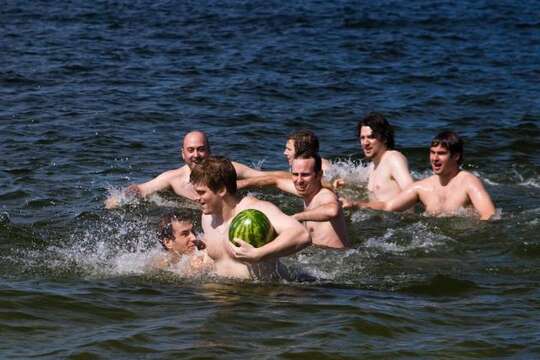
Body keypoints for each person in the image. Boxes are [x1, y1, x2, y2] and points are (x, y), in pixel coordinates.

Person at [189, 156, 311, 280]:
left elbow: (302, 234)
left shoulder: (256, 210)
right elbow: (218, 257)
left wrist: (259, 253)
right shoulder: (207, 218)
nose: (196, 198)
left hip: (263, 295)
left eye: (201, 192)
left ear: (221, 190)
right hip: (224, 295)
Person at [347, 131, 496, 220]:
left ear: (456, 156)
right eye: (432, 153)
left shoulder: (469, 183)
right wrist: (355, 204)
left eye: (441, 154)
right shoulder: (422, 187)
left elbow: (489, 216)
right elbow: (388, 206)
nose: (435, 158)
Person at [105, 130, 269, 208]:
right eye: (191, 150)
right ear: (183, 154)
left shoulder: (227, 169)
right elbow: (142, 189)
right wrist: (122, 197)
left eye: (201, 149)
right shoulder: (173, 178)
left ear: (209, 151)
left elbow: (267, 177)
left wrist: (241, 184)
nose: (196, 155)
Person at [238, 151, 350, 249]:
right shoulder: (307, 190)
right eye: (295, 174)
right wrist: (238, 185)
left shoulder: (325, 195)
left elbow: (332, 211)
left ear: (318, 175)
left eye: (305, 175)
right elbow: (275, 180)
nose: (299, 180)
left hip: (334, 260)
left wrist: (296, 217)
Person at [337, 112, 414, 203]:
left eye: (371, 137)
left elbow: (412, 193)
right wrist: (347, 185)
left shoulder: (393, 159)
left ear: (384, 138)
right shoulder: (372, 166)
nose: (365, 143)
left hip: (396, 216)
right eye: (362, 138)